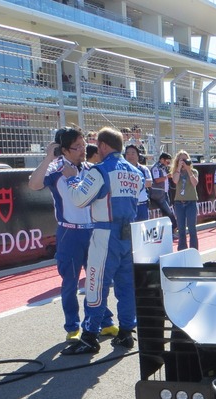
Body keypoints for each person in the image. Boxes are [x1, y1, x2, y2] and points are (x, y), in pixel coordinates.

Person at [62, 127, 144, 355]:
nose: (96, 150)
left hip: (105, 233)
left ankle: (89, 337)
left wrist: (71, 181)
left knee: (96, 284)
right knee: (126, 286)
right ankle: (126, 333)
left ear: (105, 146)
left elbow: (80, 199)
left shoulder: (100, 171)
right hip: (129, 235)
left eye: (98, 146)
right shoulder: (136, 172)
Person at [28, 127, 114, 341]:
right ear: (64, 150)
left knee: (97, 280)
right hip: (69, 233)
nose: (83, 150)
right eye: (77, 147)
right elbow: (33, 184)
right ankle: (72, 327)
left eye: (84, 145)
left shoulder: (91, 169)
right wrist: (49, 156)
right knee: (70, 282)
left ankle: (102, 321)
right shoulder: (56, 171)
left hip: (93, 231)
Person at [171, 150, 200, 251]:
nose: (183, 161)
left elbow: (194, 183)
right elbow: (175, 180)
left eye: (185, 159)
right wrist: (179, 167)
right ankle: (182, 250)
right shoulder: (176, 171)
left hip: (191, 202)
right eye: (181, 159)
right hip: (179, 203)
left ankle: (193, 250)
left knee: (192, 228)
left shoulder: (194, 171)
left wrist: (188, 169)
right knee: (181, 229)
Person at [149, 152, 177, 233]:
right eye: (167, 161)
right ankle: (174, 228)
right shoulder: (156, 168)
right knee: (169, 212)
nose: (168, 164)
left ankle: (169, 231)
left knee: (166, 213)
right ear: (162, 159)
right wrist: (167, 176)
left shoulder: (163, 168)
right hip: (158, 193)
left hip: (164, 193)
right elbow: (157, 180)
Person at [124, 145, 152, 223]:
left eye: (133, 153)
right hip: (128, 205)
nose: (130, 156)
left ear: (137, 156)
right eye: (128, 154)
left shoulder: (143, 169)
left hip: (142, 205)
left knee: (143, 229)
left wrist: (132, 183)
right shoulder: (122, 169)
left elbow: (149, 183)